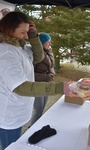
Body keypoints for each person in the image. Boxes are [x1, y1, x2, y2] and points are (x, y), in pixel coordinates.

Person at [0, 11, 67, 150]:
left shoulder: (19, 46)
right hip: (9, 116)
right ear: (9, 30)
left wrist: (33, 34)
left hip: (18, 111)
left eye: (27, 32)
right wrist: (59, 87)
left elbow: (38, 56)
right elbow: (22, 87)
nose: (26, 36)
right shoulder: (6, 52)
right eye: (23, 32)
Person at [30, 33, 55, 126]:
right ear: (41, 43)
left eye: (50, 42)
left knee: (43, 107)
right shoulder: (35, 54)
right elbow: (30, 73)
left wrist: (52, 74)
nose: (50, 44)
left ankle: (36, 127)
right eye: (47, 42)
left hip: (47, 84)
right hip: (37, 85)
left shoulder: (49, 51)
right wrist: (46, 76)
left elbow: (51, 66)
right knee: (38, 109)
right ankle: (31, 129)